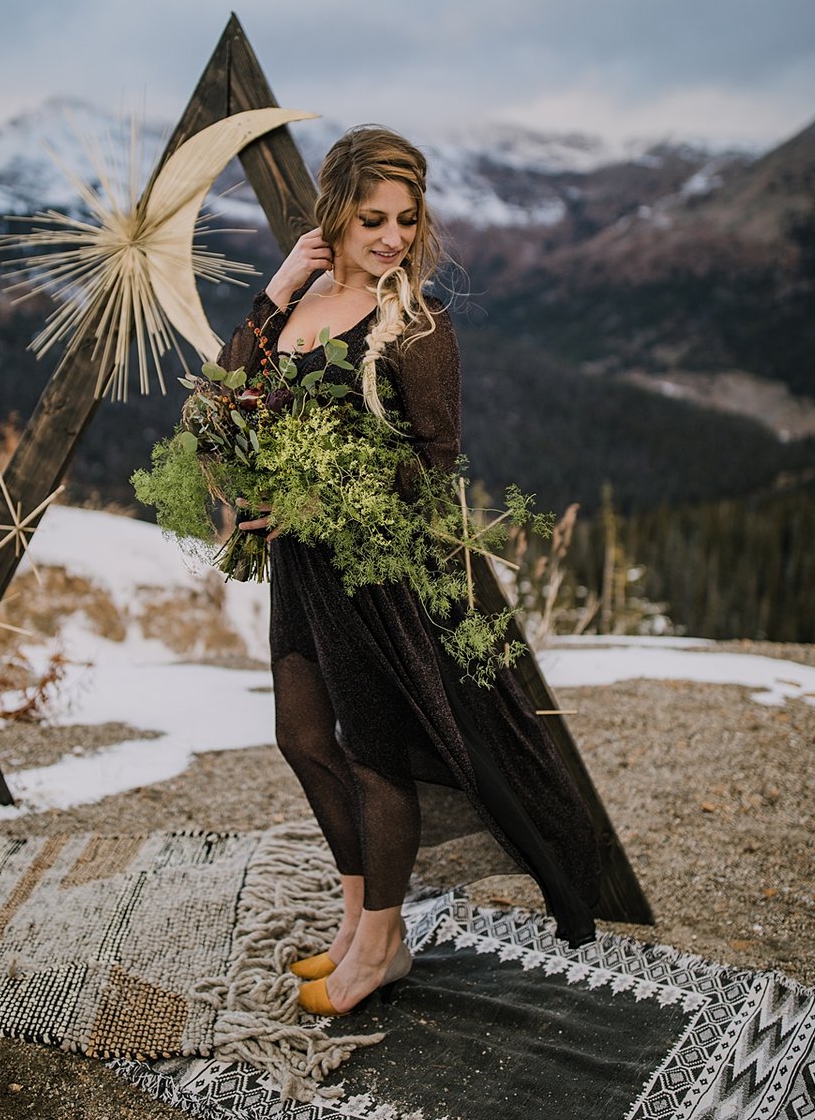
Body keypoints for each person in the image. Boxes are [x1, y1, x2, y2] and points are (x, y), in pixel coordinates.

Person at [215, 126, 601, 1017]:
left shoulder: (417, 322)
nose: (391, 236)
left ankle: (383, 941)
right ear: (334, 219)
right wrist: (274, 292)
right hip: (300, 567)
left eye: (405, 219)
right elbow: (226, 400)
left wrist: (322, 496)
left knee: (372, 752)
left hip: (376, 570)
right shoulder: (301, 307)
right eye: (371, 219)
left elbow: (434, 463)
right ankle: (356, 924)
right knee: (303, 739)